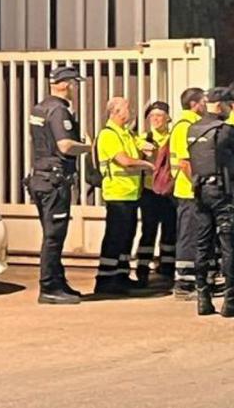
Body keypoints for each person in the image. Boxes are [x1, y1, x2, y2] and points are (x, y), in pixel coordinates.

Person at [186, 87, 234, 317]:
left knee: (203, 244)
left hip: (199, 191)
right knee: (229, 244)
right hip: (223, 192)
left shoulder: (193, 129)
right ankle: (231, 299)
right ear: (222, 105)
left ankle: (203, 298)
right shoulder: (227, 130)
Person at [27, 65, 91, 305]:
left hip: (40, 178)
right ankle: (49, 287)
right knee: (54, 237)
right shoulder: (58, 110)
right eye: (74, 84)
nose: (75, 88)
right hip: (55, 180)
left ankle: (58, 280)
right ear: (66, 84)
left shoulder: (39, 108)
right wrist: (88, 147)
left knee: (49, 234)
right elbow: (65, 146)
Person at [94, 97, 154, 295]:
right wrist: (147, 165)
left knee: (126, 237)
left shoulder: (126, 133)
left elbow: (141, 145)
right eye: (128, 108)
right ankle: (105, 279)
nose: (131, 112)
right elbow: (124, 160)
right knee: (115, 237)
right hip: (117, 194)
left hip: (130, 194)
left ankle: (121, 275)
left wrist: (149, 146)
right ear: (116, 112)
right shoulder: (109, 135)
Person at [169, 87, 206, 299]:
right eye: (203, 101)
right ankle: (183, 284)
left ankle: (192, 280)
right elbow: (184, 162)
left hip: (190, 190)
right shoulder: (185, 126)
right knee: (188, 235)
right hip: (188, 190)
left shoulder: (190, 124)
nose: (205, 105)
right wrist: (198, 182)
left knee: (194, 234)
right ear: (194, 104)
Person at [134, 101, 176, 286]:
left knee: (170, 231)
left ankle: (167, 269)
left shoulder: (174, 137)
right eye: (152, 116)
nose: (155, 119)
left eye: (159, 115)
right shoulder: (144, 138)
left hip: (170, 191)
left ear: (168, 117)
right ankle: (142, 269)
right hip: (149, 191)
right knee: (148, 230)